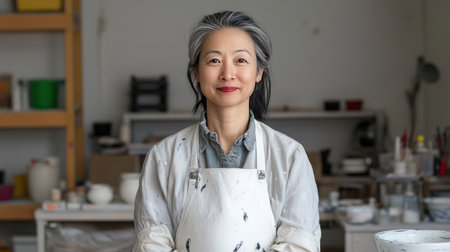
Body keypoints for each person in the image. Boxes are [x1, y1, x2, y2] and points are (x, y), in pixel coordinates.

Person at [133, 11, 321, 252]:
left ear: (258, 72)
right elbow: (151, 244)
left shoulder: (290, 156)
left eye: (240, 60)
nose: (227, 74)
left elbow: (300, 243)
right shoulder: (163, 157)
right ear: (196, 74)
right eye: (214, 60)